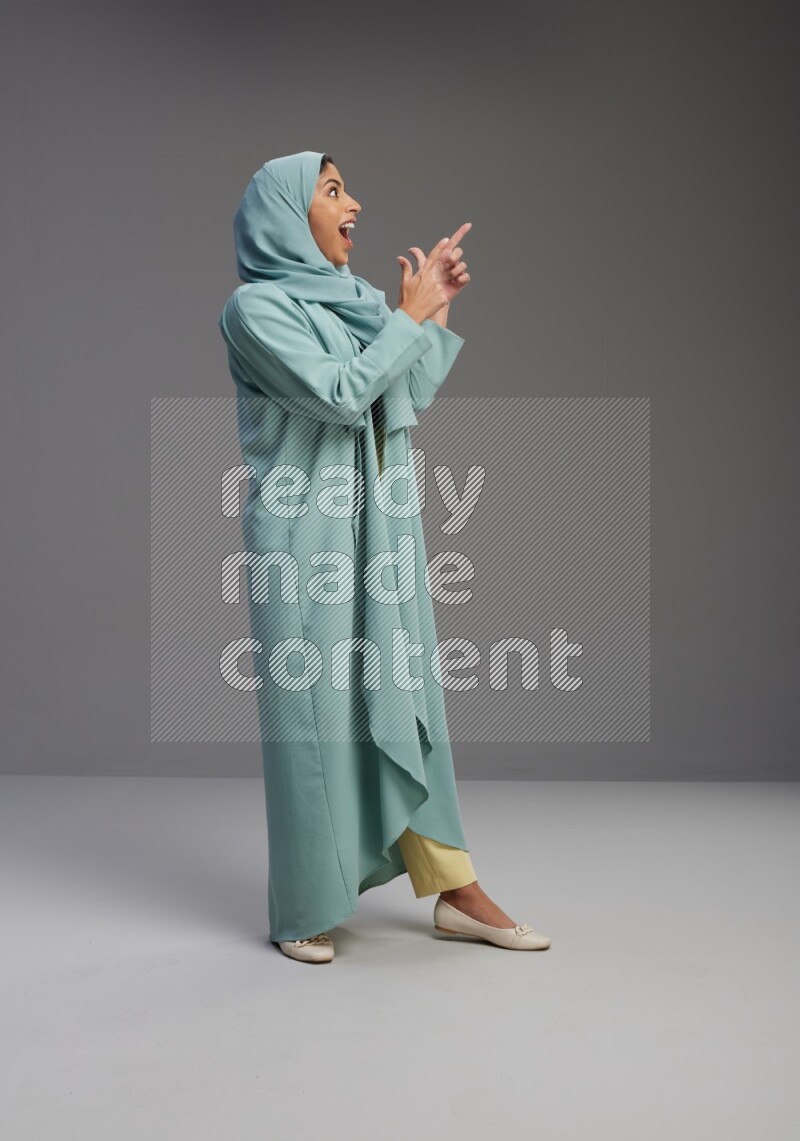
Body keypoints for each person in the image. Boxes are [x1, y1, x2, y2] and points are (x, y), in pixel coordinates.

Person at [218, 151, 550, 963]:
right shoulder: (254, 310)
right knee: (316, 724)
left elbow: (405, 391)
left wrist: (427, 312)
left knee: (406, 700)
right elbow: (338, 393)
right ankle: (303, 901)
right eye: (332, 190)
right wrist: (406, 318)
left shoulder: (361, 301)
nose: (353, 202)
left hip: (380, 531)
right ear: (286, 213)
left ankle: (455, 890)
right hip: (308, 546)